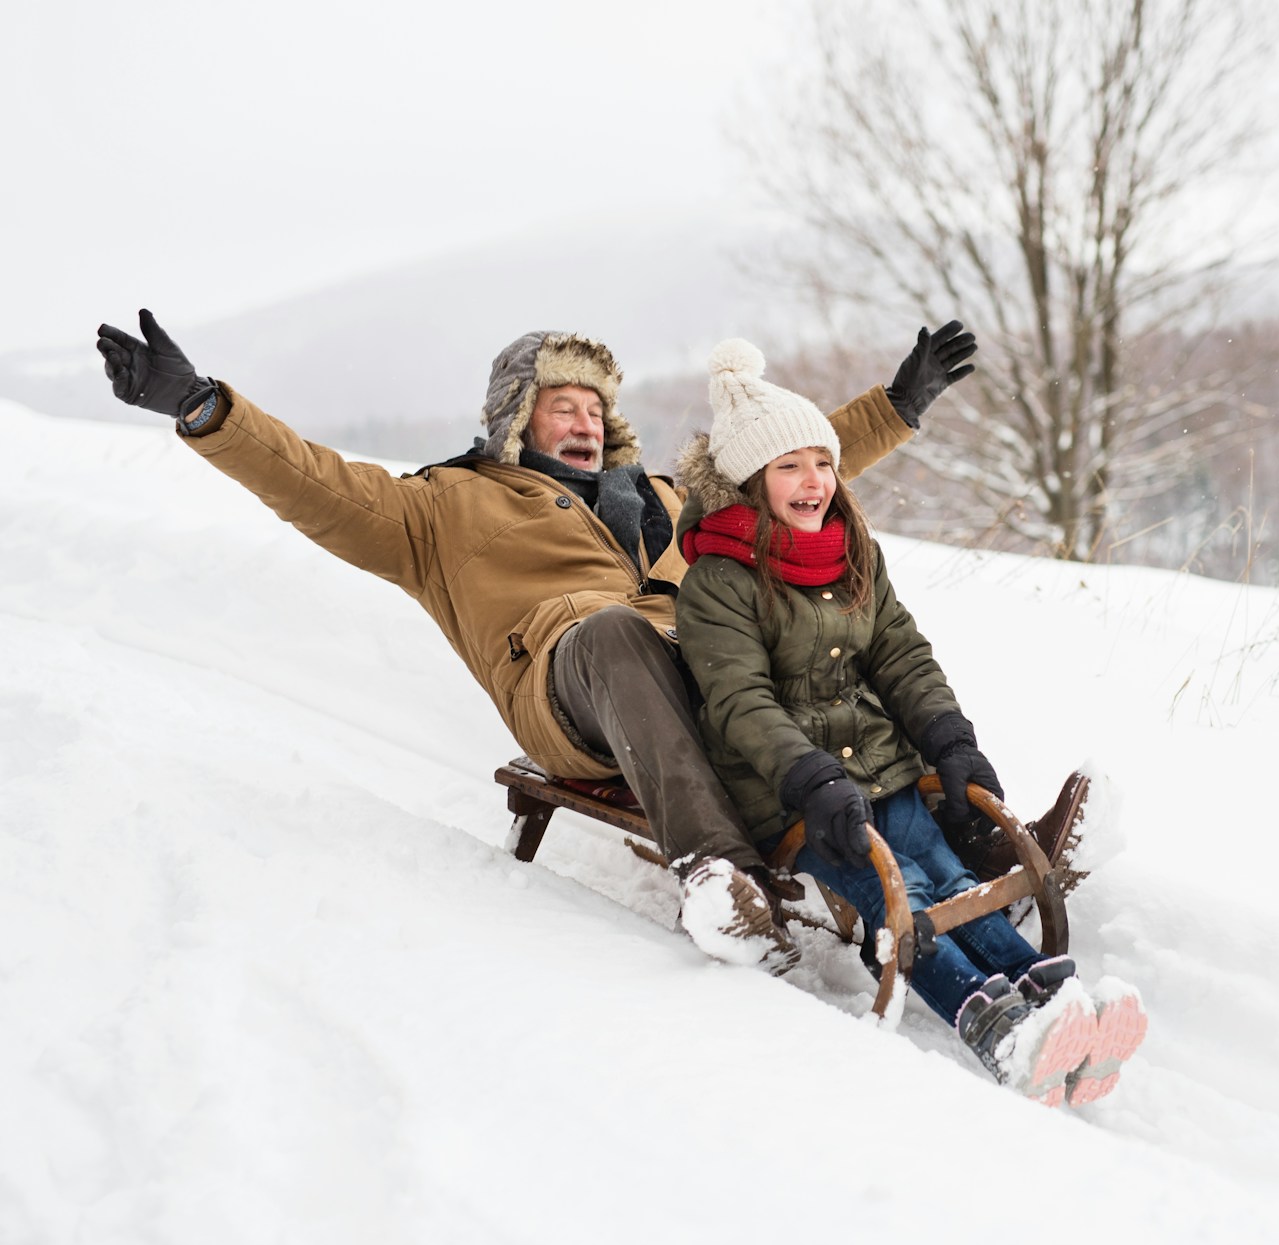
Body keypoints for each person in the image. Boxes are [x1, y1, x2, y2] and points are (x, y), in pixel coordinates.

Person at [93, 309, 979, 972]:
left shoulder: (666, 497)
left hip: (700, 670)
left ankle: (961, 817)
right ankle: (720, 875)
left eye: (596, 408)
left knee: (807, 622)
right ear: (517, 416)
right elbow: (313, 483)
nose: (587, 422)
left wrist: (899, 405)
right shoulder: (444, 506)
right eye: (563, 406)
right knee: (617, 632)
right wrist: (206, 408)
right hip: (574, 683)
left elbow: (785, 471)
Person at [671, 339, 1148, 1106]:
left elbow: (900, 653)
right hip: (797, 796)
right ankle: (990, 1024)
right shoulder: (719, 583)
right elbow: (740, 703)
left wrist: (949, 739)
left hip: (884, 771)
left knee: (953, 877)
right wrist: (810, 777)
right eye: (789, 466)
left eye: (822, 462)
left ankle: (1049, 999)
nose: (815, 482)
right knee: (906, 902)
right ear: (751, 483)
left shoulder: (850, 552)